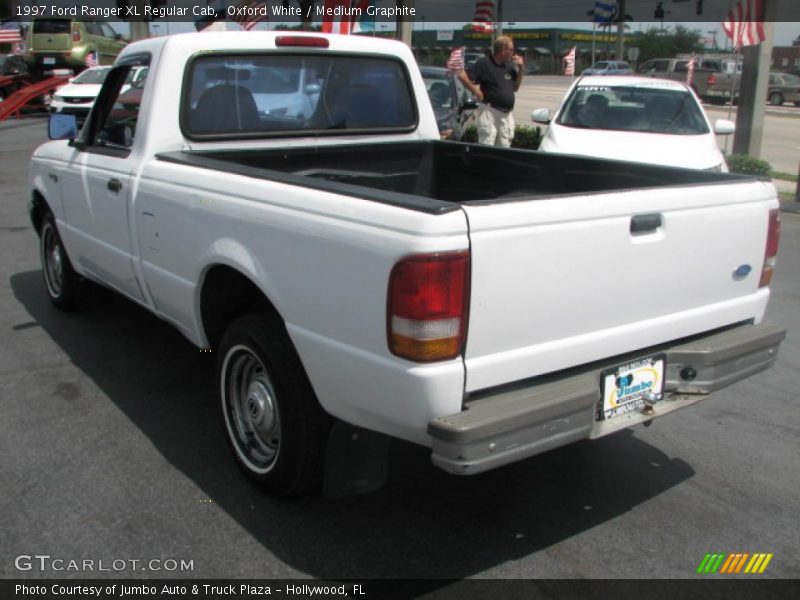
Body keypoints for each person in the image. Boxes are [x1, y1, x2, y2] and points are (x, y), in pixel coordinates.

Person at [457, 36, 524, 147]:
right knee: (487, 144)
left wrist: (521, 69)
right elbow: (462, 76)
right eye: (511, 50)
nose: (513, 53)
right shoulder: (484, 63)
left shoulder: (509, 67)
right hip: (490, 111)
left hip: (506, 115)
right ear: (503, 50)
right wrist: (475, 90)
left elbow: (515, 88)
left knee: (504, 147)